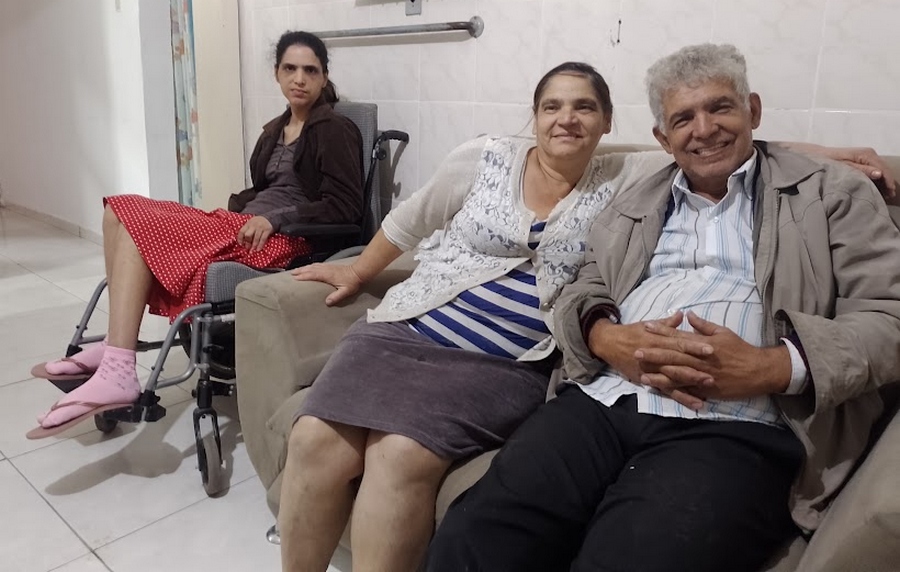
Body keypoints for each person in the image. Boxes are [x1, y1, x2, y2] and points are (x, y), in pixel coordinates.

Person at [274, 59, 895, 572]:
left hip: (722, 416)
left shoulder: (802, 190)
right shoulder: (613, 182)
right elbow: (569, 278)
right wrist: (604, 335)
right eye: (683, 118)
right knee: (458, 528)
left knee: (624, 550)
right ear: (662, 137)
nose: (703, 130)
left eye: (721, 109)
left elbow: (886, 314)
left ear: (753, 111)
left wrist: (771, 367)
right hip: (588, 391)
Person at [27, 31, 363, 439]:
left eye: (310, 70)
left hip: (286, 240)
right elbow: (264, 189)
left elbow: (345, 206)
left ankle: (118, 368)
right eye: (290, 68)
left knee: (137, 219)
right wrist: (246, 211)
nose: (299, 79)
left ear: (324, 77)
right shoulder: (275, 130)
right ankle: (118, 347)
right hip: (244, 225)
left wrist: (277, 219)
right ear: (276, 73)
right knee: (118, 210)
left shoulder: (334, 128)